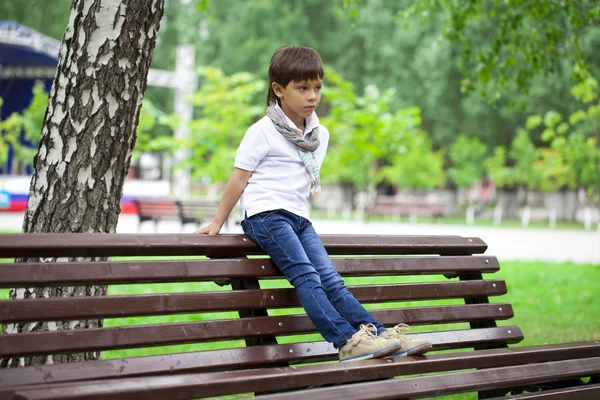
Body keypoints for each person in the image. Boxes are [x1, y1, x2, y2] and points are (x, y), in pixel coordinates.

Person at [196, 45, 432, 362]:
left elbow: (304, 181)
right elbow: (238, 179)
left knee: (332, 280)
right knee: (306, 275)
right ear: (279, 90)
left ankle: (379, 334)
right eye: (302, 88)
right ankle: (347, 342)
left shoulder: (319, 134)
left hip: (298, 218)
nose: (312, 96)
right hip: (265, 215)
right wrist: (218, 221)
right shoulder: (262, 132)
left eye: (317, 88)